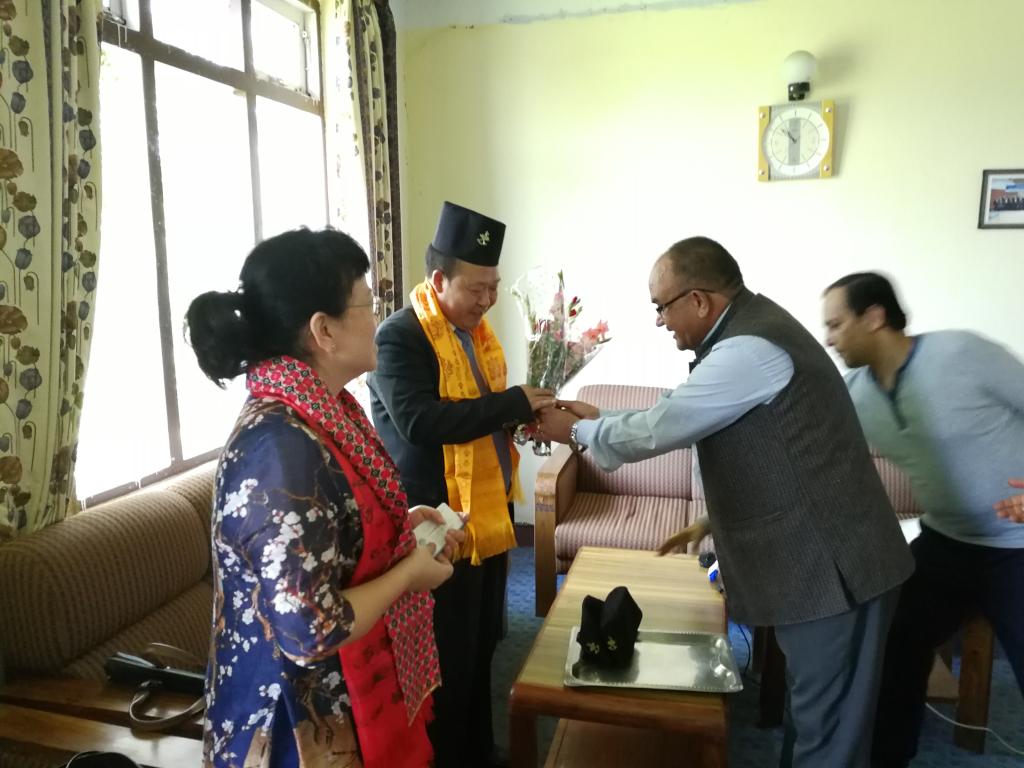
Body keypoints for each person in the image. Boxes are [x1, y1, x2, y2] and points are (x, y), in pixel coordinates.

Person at [537, 237, 913, 768]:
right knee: (815, 715)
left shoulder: (748, 351)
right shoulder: (744, 336)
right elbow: (698, 418)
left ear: (698, 300)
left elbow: (663, 427)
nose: (660, 321)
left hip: (838, 567)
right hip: (821, 562)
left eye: (661, 307)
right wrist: (599, 419)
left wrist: (578, 432)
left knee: (829, 730)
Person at [186, 227, 462, 768]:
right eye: (368, 305)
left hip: (341, 696)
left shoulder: (322, 410)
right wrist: (409, 573)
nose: (379, 320)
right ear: (324, 330)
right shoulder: (278, 447)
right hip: (294, 723)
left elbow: (326, 536)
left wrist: (399, 527)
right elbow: (310, 628)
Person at [368, 201, 554, 768]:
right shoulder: (401, 336)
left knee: (483, 643)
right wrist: (510, 404)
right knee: (445, 654)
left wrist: (520, 416)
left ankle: (478, 749)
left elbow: (479, 416)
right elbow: (420, 422)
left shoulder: (476, 335)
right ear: (438, 280)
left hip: (488, 511)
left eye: (494, 287)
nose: (488, 299)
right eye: (477, 288)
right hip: (435, 520)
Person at [822, 271, 1024, 768]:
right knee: (894, 648)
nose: (828, 339)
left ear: (874, 317)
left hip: (1017, 547)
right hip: (946, 544)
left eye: (836, 324)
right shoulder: (855, 394)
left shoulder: (961, 354)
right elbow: (806, 457)